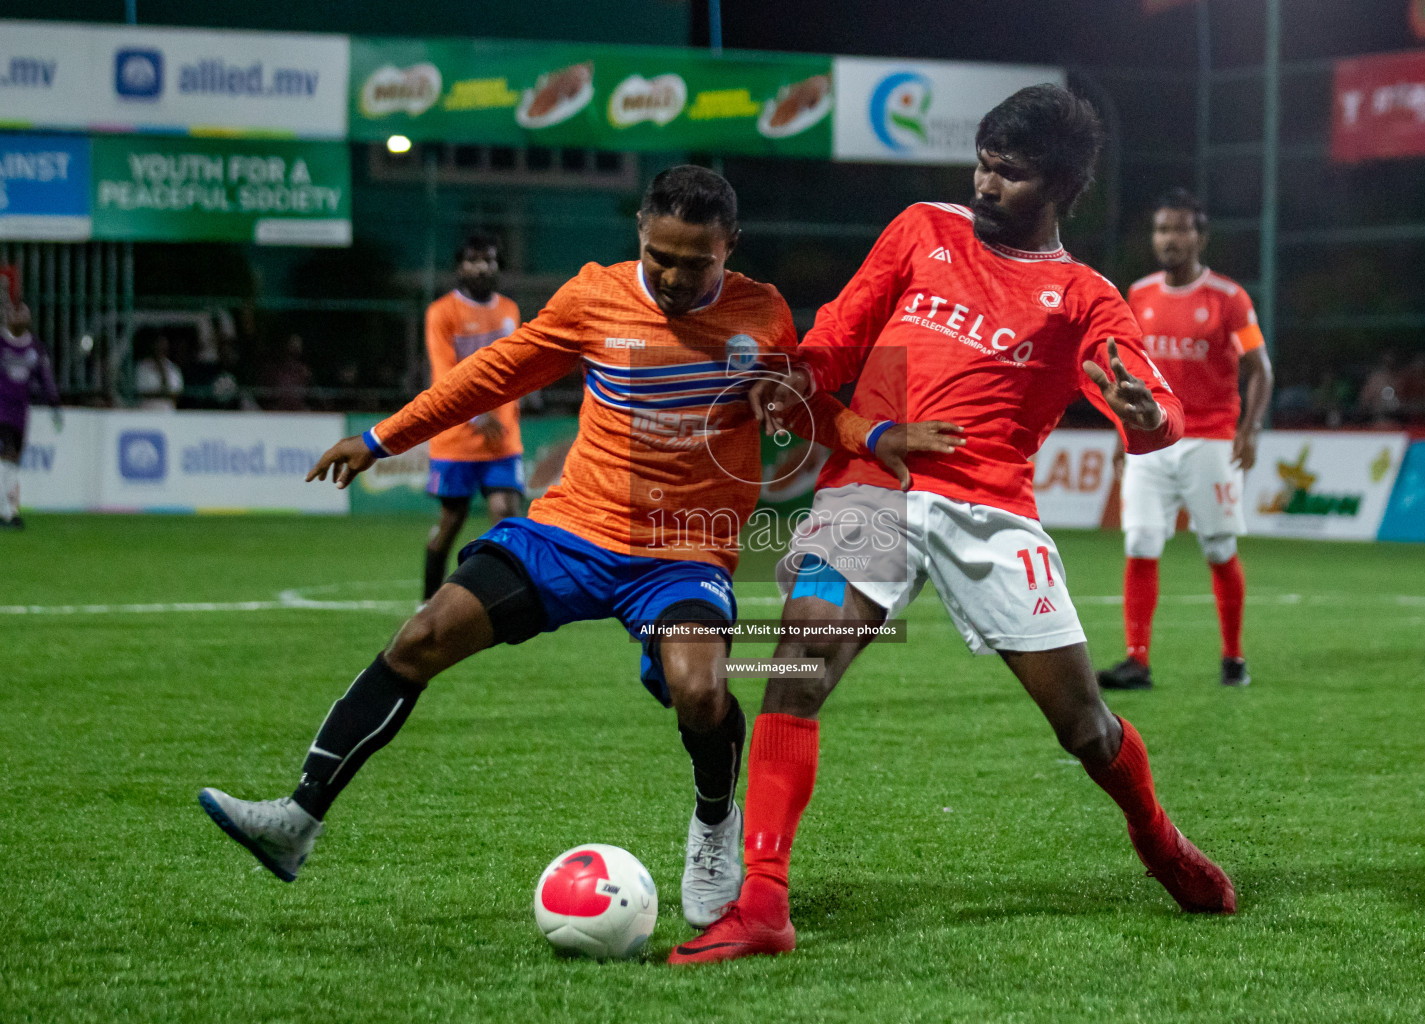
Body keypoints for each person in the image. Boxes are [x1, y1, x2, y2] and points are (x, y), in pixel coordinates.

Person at [196, 166, 913, 930]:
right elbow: (490, 376)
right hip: (572, 532)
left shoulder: (762, 316)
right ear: (639, 230)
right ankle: (296, 820)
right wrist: (379, 438)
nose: (671, 276)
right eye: (657, 255)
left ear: (728, 247)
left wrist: (870, 436)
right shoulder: (593, 298)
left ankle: (713, 827)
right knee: (422, 637)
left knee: (701, 693)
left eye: (693, 262)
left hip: (682, 552)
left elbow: (800, 407)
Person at [672, 85, 1234, 966]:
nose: (983, 183)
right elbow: (839, 336)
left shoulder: (1082, 296)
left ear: (1059, 184)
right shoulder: (920, 229)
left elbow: (1154, 410)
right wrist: (790, 377)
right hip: (871, 488)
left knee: (1085, 726)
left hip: (991, 511)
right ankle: (765, 903)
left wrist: (1147, 415)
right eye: (980, 162)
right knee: (796, 664)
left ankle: (1158, 839)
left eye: (1007, 174)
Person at [1097, 189, 1273, 692]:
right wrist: (1121, 435)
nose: (1168, 239)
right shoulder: (1139, 295)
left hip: (1211, 440)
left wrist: (1251, 428)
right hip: (1151, 441)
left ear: (1200, 236)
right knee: (1141, 540)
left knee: (1218, 548)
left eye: (1178, 229)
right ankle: (1137, 660)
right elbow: (1127, 371)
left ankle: (1234, 657)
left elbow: (1260, 369)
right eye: (1161, 229)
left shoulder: (1229, 299)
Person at [419, 236, 527, 601]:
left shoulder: (510, 310)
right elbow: (445, 373)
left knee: (506, 516)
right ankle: (429, 601)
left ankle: (502, 596)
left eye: (489, 261)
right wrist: (479, 415)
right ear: (459, 266)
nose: (482, 267)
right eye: (473, 260)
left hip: (503, 440)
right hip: (457, 440)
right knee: (451, 523)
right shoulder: (442, 312)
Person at [1, 302, 62, 530]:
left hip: (20, 411)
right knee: (6, 454)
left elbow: (44, 377)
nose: (18, 318)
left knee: (14, 460)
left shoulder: (34, 348)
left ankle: (8, 510)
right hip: (1, 408)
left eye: (22, 313)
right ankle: (5, 512)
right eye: (14, 313)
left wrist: (54, 403)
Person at [135, 333, 183, 410]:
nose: (160, 349)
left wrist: (160, 393)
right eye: (158, 345)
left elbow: (176, 393)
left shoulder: (173, 368)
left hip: (167, 412)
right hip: (148, 411)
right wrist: (164, 394)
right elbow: (142, 391)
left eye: (163, 346)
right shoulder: (143, 367)